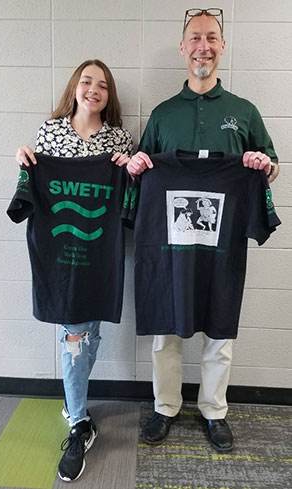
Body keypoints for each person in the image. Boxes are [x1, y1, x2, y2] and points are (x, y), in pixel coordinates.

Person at [127, 8, 279, 452]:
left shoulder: (244, 112)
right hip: (169, 249)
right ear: (183, 47)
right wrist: (137, 166)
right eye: (195, 38)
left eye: (211, 37)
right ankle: (164, 407)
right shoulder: (162, 114)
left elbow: (270, 168)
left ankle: (214, 411)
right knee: (165, 331)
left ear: (222, 46)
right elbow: (143, 175)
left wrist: (263, 166)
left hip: (220, 248)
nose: (203, 46)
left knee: (220, 331)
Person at [14, 59, 133, 482]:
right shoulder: (51, 131)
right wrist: (23, 158)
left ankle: (72, 400)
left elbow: (132, 187)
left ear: (109, 95)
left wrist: (128, 165)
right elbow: (32, 172)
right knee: (76, 333)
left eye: (102, 85)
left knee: (90, 330)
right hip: (60, 252)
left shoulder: (120, 137)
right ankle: (80, 422)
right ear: (74, 87)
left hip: (100, 252)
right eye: (87, 81)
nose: (93, 90)